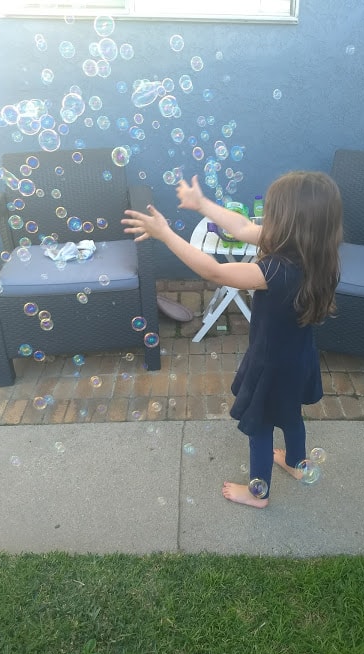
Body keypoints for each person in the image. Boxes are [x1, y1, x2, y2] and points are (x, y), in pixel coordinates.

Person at [122, 171, 343, 508]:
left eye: (272, 213)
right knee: (292, 414)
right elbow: (239, 228)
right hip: (299, 358)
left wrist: (165, 234)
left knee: (260, 426)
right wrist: (202, 204)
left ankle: (259, 494)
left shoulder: (275, 271)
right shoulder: (321, 256)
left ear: (288, 222)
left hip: (270, 363)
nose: (265, 220)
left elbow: (215, 272)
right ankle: (297, 464)